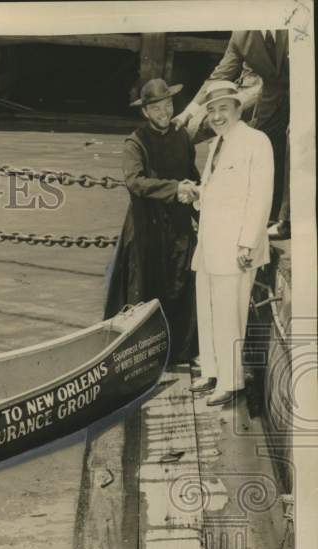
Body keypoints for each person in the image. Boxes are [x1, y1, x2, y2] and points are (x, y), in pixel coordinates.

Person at [189, 81, 274, 407]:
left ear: (239, 109)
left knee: (230, 313)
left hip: (236, 247)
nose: (216, 116)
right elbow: (219, 190)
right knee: (208, 311)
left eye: (223, 108)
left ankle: (231, 380)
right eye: (211, 110)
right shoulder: (216, 144)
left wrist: (247, 243)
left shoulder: (256, 141)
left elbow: (260, 196)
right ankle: (211, 370)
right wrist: (198, 193)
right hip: (210, 244)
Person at [104, 78, 200, 363]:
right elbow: (136, 182)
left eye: (168, 104)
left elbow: (191, 174)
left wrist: (198, 198)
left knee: (182, 283)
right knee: (144, 288)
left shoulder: (182, 136)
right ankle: (140, 356)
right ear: (145, 112)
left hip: (179, 225)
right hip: (147, 227)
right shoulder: (135, 142)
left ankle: (180, 352)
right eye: (156, 108)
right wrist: (175, 189)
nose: (164, 112)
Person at [173, 30, 289, 238]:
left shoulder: (296, 18)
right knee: (262, 150)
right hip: (269, 100)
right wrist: (186, 114)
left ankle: (287, 219)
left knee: (294, 138)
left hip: (304, 94)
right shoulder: (242, 35)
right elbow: (220, 75)